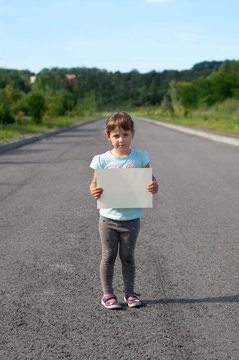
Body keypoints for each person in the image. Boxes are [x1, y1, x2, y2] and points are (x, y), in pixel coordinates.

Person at [89, 112, 158, 309]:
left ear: (132, 134)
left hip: (131, 218)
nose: (121, 140)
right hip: (108, 219)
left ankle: (130, 292)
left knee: (128, 256)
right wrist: (94, 191)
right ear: (108, 137)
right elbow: (93, 185)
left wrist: (153, 186)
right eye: (116, 135)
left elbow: (152, 180)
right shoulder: (102, 160)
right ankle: (108, 294)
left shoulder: (140, 157)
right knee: (108, 255)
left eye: (125, 134)